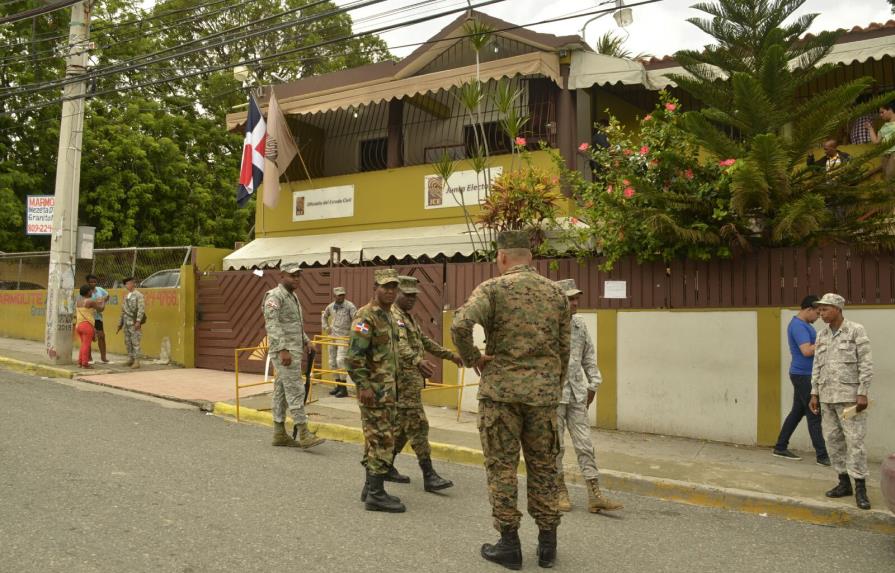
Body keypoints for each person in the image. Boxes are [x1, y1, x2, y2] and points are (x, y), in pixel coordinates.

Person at [451, 230, 571, 570]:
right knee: (545, 468)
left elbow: (460, 325)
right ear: (529, 258)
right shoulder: (556, 293)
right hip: (543, 397)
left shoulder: (493, 289)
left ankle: (509, 545)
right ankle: (547, 547)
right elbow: (565, 349)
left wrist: (473, 357)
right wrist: (552, 384)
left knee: (502, 468)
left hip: (501, 396)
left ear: (503, 257)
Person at [553, 279, 623, 514]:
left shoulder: (579, 326)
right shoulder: (546, 326)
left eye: (576, 299)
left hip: (576, 394)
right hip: (552, 396)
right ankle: (559, 491)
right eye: (570, 299)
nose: (575, 303)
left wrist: (593, 384)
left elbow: (588, 357)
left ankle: (594, 494)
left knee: (585, 444)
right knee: (555, 446)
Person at [387, 275, 462, 492]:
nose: (411, 300)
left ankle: (385, 465)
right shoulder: (393, 317)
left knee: (402, 428)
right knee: (419, 425)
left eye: (414, 296)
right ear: (397, 294)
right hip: (402, 381)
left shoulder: (408, 317)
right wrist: (417, 360)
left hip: (410, 382)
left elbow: (424, 341)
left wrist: (450, 355)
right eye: (406, 295)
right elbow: (399, 345)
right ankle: (429, 475)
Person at [345, 268, 405, 513]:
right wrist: (364, 386)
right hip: (375, 391)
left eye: (393, 287)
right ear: (375, 288)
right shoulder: (366, 317)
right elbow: (354, 357)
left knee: (375, 439)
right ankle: (376, 495)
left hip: (388, 390)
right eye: (385, 287)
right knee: (382, 440)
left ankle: (370, 488)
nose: (390, 291)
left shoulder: (389, 316)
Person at [809, 293, 873, 510]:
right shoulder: (821, 335)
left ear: (837, 309)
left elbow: (866, 363)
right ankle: (843, 483)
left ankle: (861, 488)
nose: (820, 313)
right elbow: (817, 365)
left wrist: (863, 392)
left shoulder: (856, 330)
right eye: (819, 310)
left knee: (855, 442)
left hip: (850, 400)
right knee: (833, 441)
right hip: (827, 399)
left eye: (825, 309)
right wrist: (814, 393)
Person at [262, 263, 324, 450]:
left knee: (281, 391)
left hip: (293, 349)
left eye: (298, 276)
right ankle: (304, 432)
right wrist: (282, 350)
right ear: (282, 275)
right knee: (296, 389)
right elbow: (272, 324)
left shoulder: (293, 296)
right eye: (292, 276)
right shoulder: (275, 296)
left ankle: (279, 433)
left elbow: (294, 324)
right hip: (285, 352)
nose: (296, 279)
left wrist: (306, 341)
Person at [772, 295, 829, 465]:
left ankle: (780, 447)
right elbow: (806, 351)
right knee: (814, 413)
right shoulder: (798, 326)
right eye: (817, 313)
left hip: (804, 374)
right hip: (803, 375)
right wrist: (825, 341)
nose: (819, 317)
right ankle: (822, 456)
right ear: (808, 309)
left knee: (797, 412)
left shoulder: (803, 325)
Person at [321, 286, 357, 398]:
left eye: (343, 295)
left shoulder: (350, 306)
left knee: (340, 360)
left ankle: (344, 387)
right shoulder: (331, 307)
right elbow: (324, 316)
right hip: (333, 336)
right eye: (339, 295)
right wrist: (326, 327)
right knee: (332, 362)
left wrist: (353, 333)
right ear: (334, 296)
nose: (341, 297)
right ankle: (338, 385)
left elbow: (356, 319)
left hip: (344, 337)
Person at [116, 277, 145, 369]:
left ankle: (137, 361)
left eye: (128, 283)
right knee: (128, 341)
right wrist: (120, 323)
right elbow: (123, 310)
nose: (127, 285)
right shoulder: (126, 296)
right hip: (126, 322)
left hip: (133, 322)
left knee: (135, 341)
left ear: (133, 284)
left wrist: (138, 321)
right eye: (126, 284)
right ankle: (130, 358)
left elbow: (141, 309)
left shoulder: (138, 295)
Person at [75, 285, 104, 369]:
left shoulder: (78, 301)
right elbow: (100, 309)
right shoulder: (90, 301)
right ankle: (85, 363)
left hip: (79, 325)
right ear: (88, 292)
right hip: (87, 325)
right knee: (86, 345)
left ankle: (80, 362)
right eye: (91, 291)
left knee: (83, 344)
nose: (92, 292)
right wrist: (102, 302)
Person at [867, 100, 895, 181]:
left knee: (889, 177)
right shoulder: (884, 127)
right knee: (886, 178)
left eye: (882, 112)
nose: (880, 115)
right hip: (885, 155)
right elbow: (876, 141)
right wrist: (870, 128)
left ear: (890, 110)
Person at [86, 274, 110, 364]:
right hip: (88, 317)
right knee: (88, 337)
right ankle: (89, 357)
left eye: (94, 281)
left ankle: (103, 357)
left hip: (98, 317)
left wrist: (103, 300)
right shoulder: (86, 291)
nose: (93, 283)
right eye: (91, 282)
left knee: (102, 336)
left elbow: (107, 296)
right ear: (88, 282)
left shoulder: (100, 290)